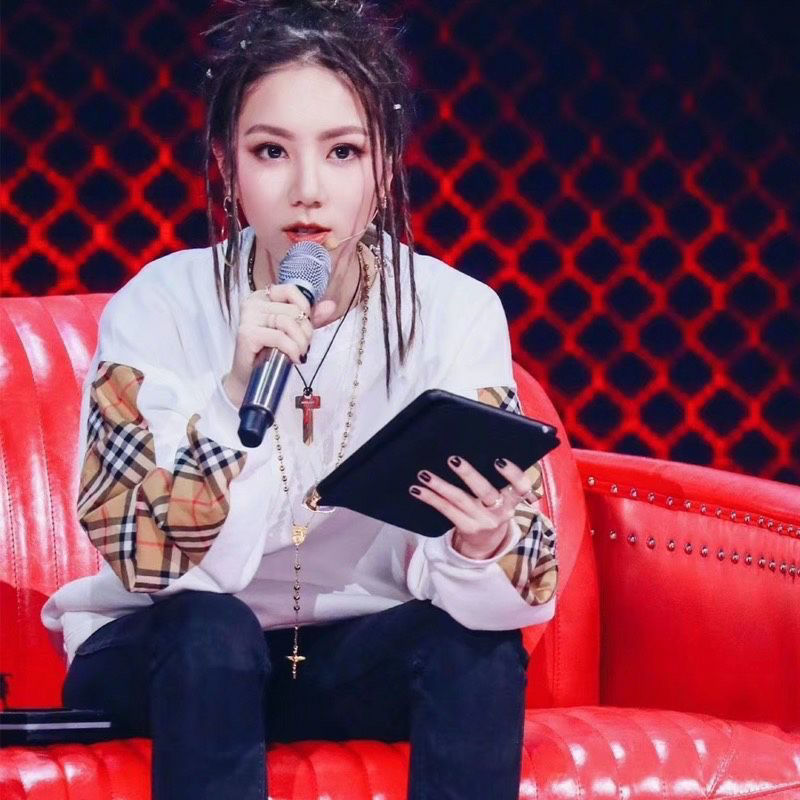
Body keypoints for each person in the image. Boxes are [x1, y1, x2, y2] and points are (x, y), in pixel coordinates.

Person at [40, 1, 559, 798]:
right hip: (168, 652)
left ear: (384, 168)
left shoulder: (453, 312)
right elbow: (145, 561)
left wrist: (480, 543)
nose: (307, 191)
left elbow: (526, 579)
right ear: (228, 164)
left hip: (348, 656)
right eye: (271, 151)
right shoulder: (159, 306)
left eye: (343, 151)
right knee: (211, 633)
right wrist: (232, 400)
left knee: (471, 647)